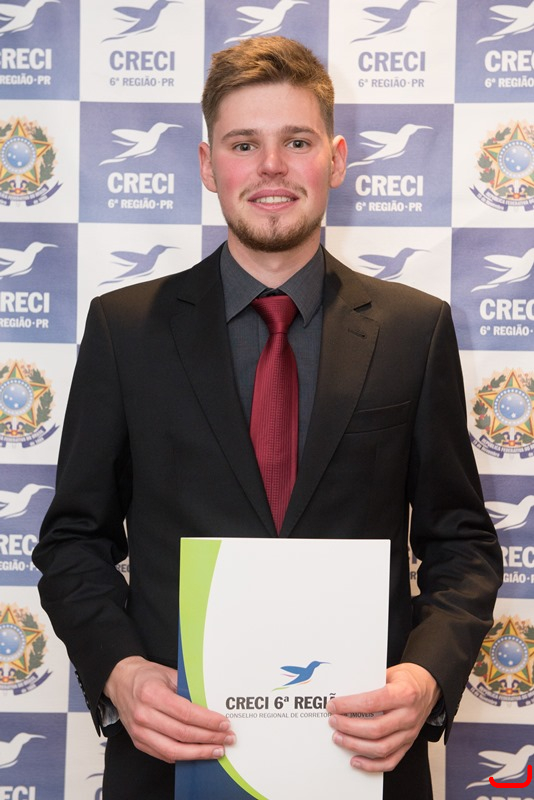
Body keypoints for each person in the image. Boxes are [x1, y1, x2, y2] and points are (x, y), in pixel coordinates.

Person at [33, 36, 502, 800]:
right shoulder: (126, 329)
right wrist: (119, 672)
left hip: (362, 759)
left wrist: (425, 677)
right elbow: (73, 540)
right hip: (174, 758)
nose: (272, 166)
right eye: (244, 143)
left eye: (298, 142)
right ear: (207, 163)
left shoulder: (413, 330)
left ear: (336, 160)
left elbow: (462, 542)